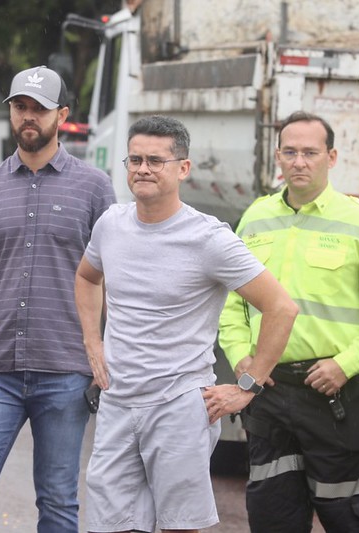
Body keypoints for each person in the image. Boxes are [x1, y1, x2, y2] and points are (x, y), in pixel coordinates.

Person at [75, 115, 298, 533]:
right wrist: (92, 341)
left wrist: (247, 387)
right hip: (118, 401)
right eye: (135, 159)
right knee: (110, 526)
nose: (143, 169)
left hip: (177, 406)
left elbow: (281, 307)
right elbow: (87, 276)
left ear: (183, 168)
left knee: (180, 527)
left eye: (156, 161)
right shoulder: (111, 224)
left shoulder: (209, 239)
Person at [0, 65, 116, 533]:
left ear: (62, 114)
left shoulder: (95, 187)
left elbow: (111, 276)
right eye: (20, 107)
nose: (28, 117)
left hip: (66, 372)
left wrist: (101, 351)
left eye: (39, 108)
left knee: (58, 503)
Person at [218, 110, 359, 532]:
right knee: (271, 515)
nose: (299, 162)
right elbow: (231, 302)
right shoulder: (256, 219)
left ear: (331, 157)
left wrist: (346, 364)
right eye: (290, 152)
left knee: (345, 517)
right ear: (278, 158)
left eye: (310, 153)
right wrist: (241, 356)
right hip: (270, 391)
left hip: (335, 395)